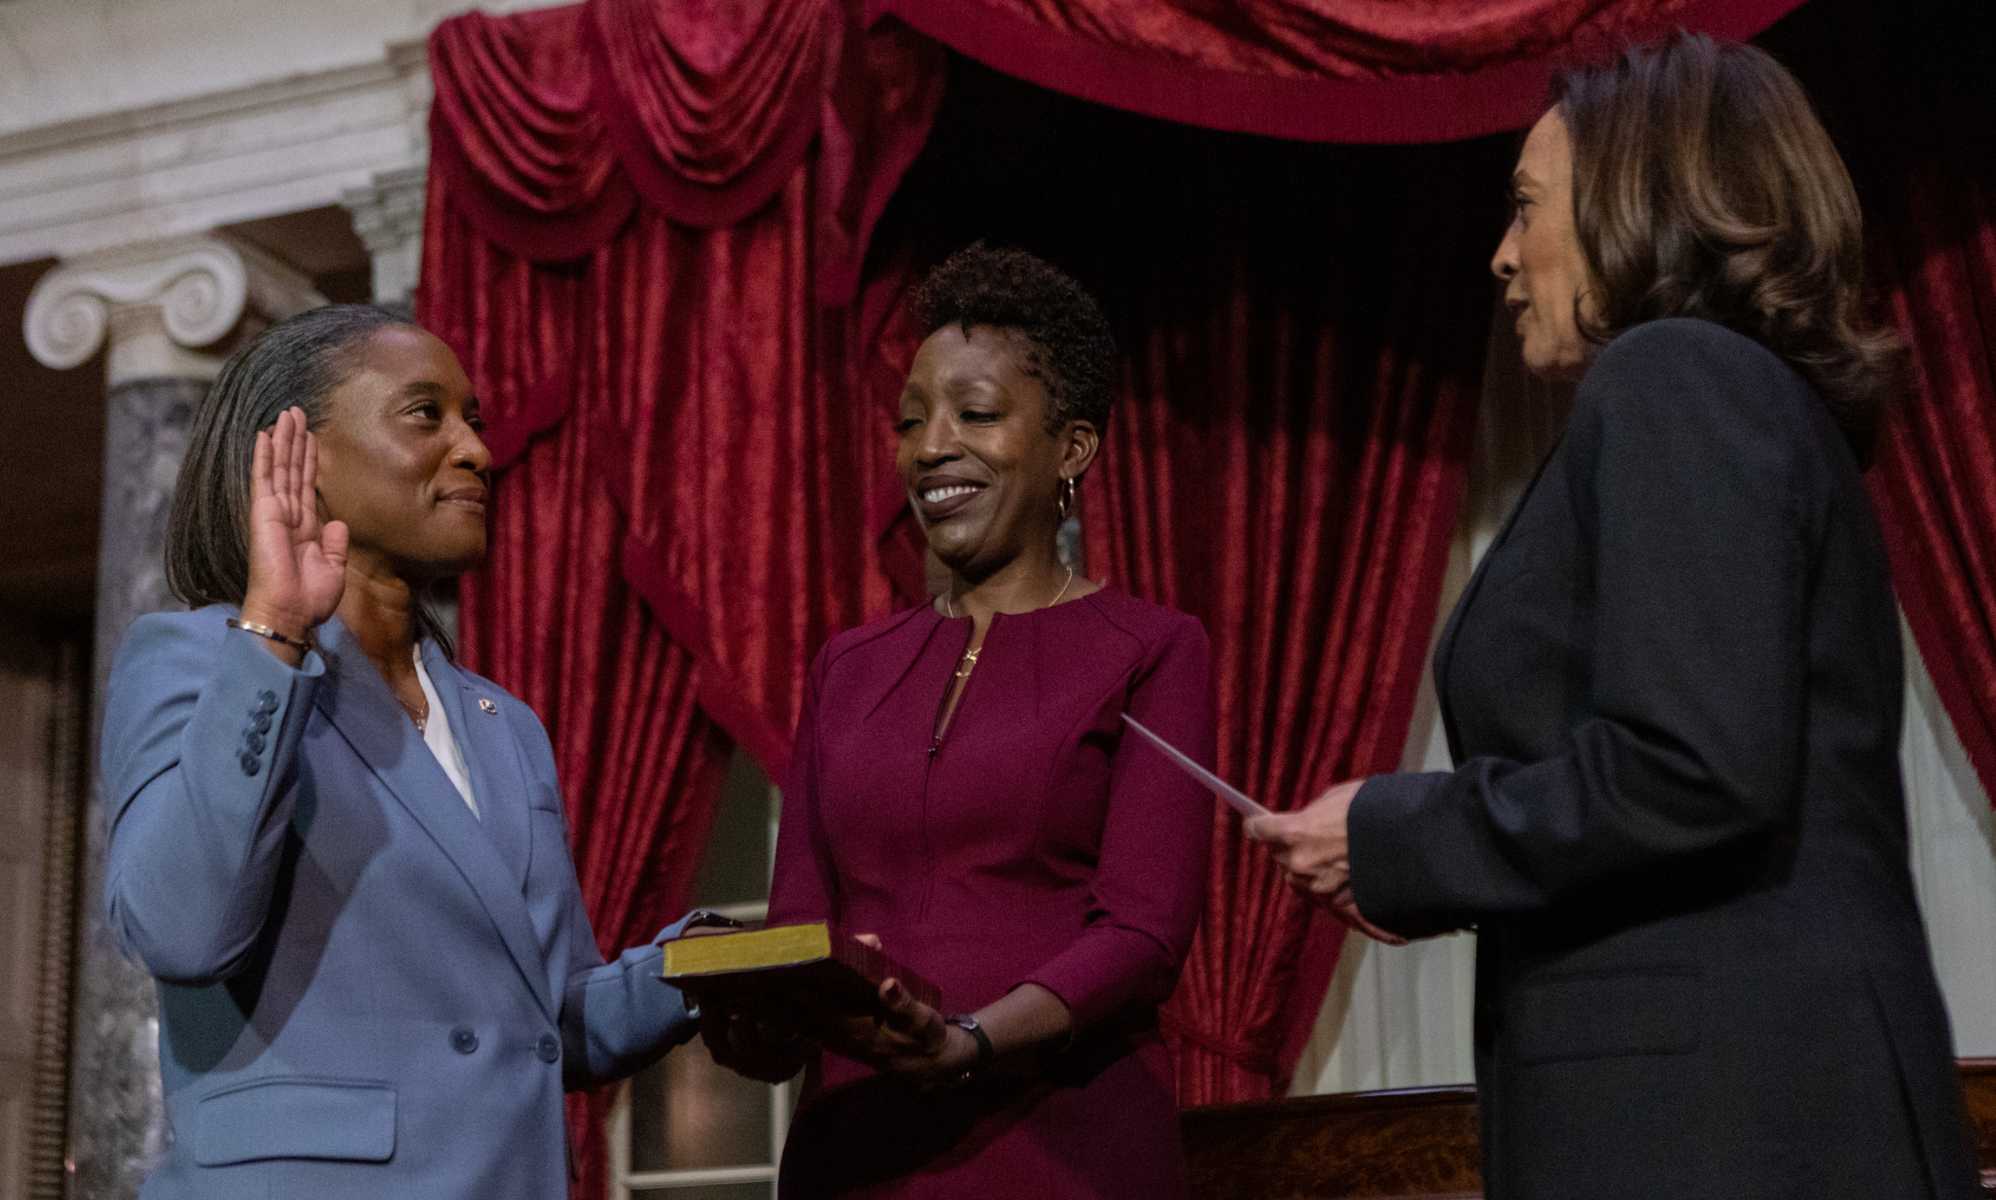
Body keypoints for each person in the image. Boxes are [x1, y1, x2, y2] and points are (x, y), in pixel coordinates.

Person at [1248, 33, 1980, 1200]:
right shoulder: (1734, 396)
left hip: (1723, 1127)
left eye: (1525, 207)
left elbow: (1688, 767)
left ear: (1638, 197)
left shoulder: (1674, 375)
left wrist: (1399, 839)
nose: (1498, 257)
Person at [101, 305, 720, 1200]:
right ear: (297, 453)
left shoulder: (504, 725)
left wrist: (699, 969)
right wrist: (274, 630)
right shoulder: (199, 659)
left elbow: (538, 1022)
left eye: (474, 420)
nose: (476, 450)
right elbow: (181, 930)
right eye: (426, 414)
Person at [704, 244, 1215, 1197]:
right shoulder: (847, 669)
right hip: (857, 1152)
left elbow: (1144, 933)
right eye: (911, 420)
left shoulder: (1152, 649)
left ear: (1073, 447)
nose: (932, 445)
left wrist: (972, 1041)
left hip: (1063, 1150)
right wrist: (763, 1026)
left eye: (975, 414)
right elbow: (801, 927)